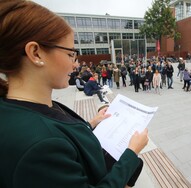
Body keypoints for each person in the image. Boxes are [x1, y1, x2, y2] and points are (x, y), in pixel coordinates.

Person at [0, 1, 148, 188]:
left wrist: (90, 124)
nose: (75, 64)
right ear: (36, 53)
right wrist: (131, 153)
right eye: (71, 54)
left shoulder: (21, 106)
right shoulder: (39, 147)